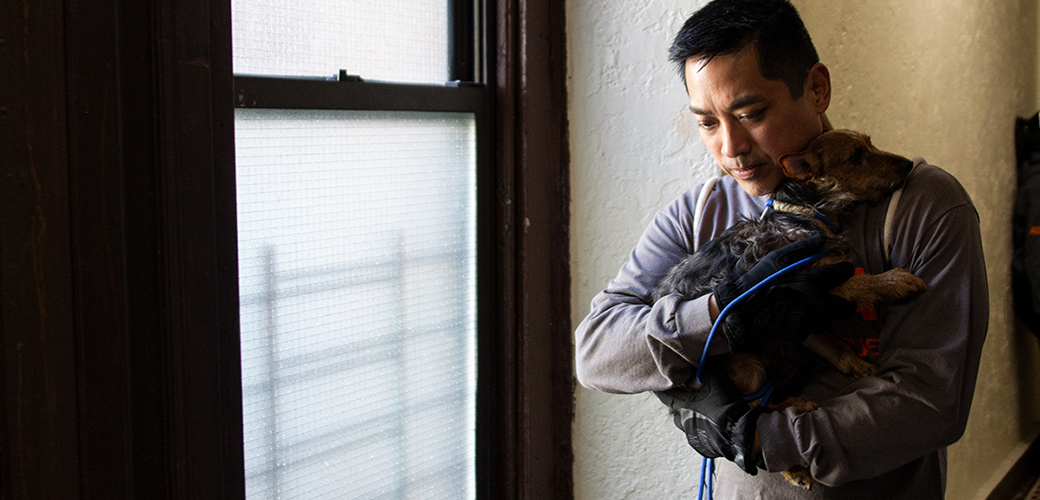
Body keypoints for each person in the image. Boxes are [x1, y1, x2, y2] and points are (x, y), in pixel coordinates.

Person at [572, 0, 989, 498]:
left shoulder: (923, 207)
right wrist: (724, 317)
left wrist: (760, 438)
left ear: (816, 88)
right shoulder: (700, 213)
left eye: (751, 114)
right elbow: (598, 352)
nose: (731, 147)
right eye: (707, 123)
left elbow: (929, 401)